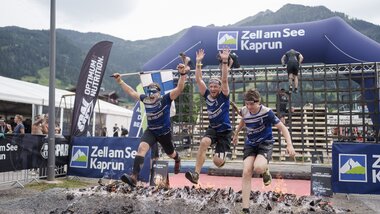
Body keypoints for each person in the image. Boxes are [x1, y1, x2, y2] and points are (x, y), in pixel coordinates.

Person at [112, 63, 189, 187]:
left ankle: (177, 159)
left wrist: (183, 74)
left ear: (159, 93)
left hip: (164, 133)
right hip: (151, 131)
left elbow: (179, 89)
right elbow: (131, 92)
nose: (151, 94)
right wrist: (120, 81)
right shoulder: (146, 100)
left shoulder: (166, 99)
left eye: (154, 92)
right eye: (149, 92)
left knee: (171, 153)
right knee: (141, 148)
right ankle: (134, 177)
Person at [232, 88, 296, 214]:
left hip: (265, 143)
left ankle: (265, 169)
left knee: (258, 168)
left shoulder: (267, 113)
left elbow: (283, 128)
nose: (249, 107)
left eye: (252, 104)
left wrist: (289, 145)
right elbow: (243, 121)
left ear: (258, 102)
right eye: (247, 103)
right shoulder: (245, 111)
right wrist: (236, 134)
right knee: (246, 172)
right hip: (250, 144)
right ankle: (245, 209)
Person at [185, 48, 232, 184]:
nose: (212, 89)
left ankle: (220, 157)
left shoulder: (224, 96)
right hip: (213, 128)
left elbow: (224, 80)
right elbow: (198, 79)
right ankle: (196, 174)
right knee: (204, 142)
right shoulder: (206, 95)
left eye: (214, 87)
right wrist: (199, 62)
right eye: (210, 86)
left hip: (225, 132)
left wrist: (224, 60)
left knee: (217, 162)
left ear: (219, 88)